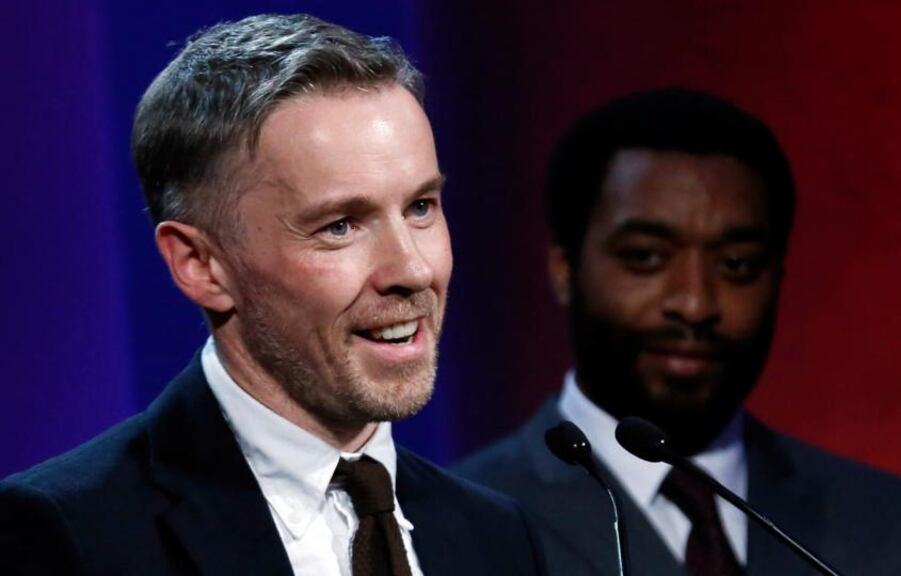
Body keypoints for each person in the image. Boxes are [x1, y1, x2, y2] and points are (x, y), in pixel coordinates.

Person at [0, 14, 544, 576]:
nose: (412, 268)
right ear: (201, 265)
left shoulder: (495, 535)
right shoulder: (69, 536)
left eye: (421, 207)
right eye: (340, 226)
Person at [454, 89, 901, 575]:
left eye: (737, 264)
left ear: (779, 275)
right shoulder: (455, 525)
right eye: (645, 258)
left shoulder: (897, 528)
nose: (695, 304)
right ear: (565, 268)